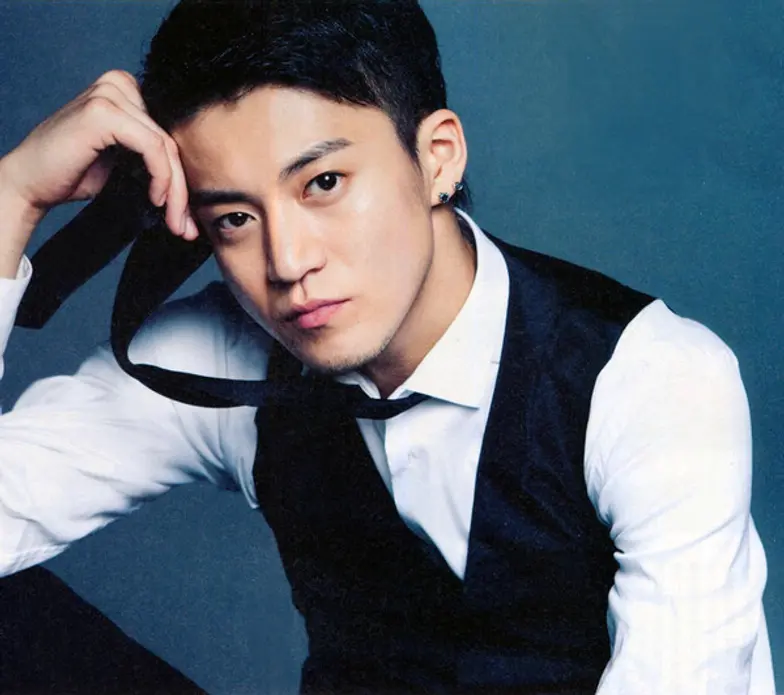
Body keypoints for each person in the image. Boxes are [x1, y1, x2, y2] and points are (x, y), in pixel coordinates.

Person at [0, 1, 775, 693]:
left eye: (323, 183)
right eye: (235, 218)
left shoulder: (649, 380)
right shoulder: (220, 357)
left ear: (437, 157)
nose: (288, 262)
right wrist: (13, 196)